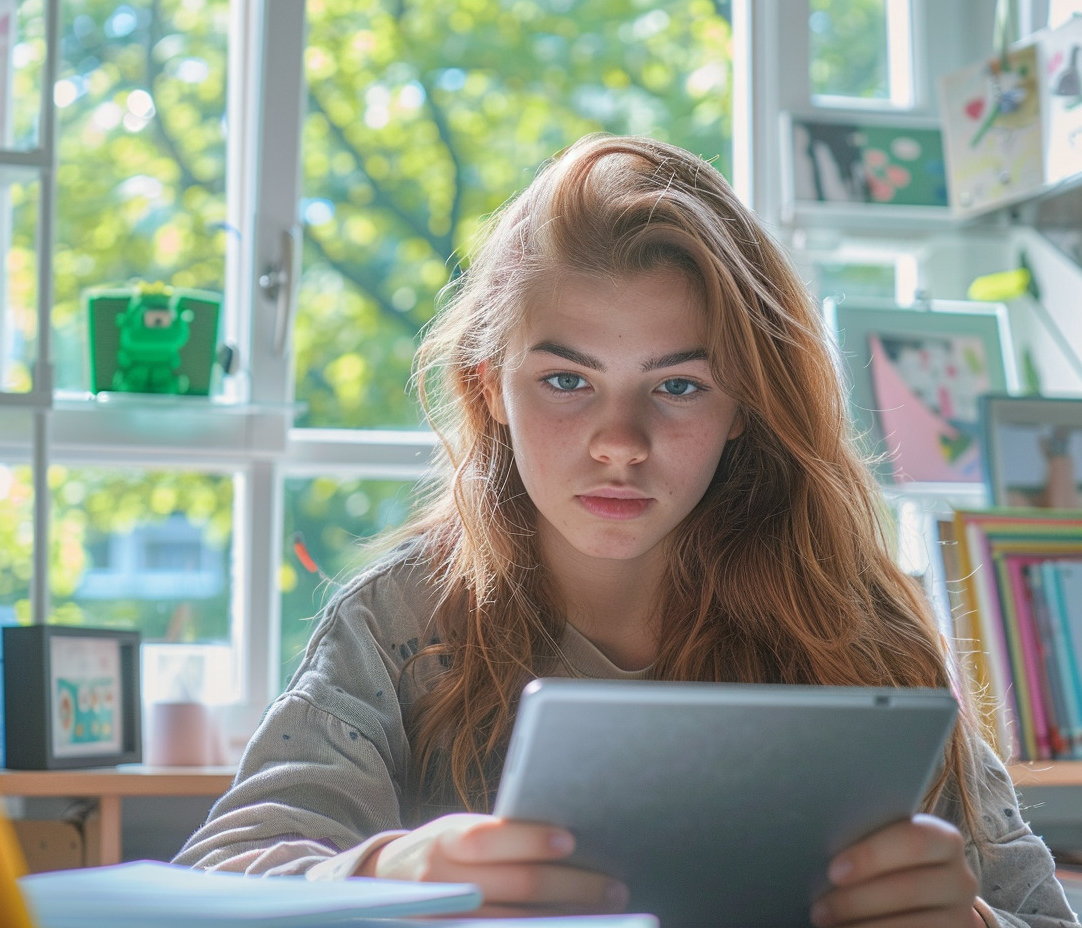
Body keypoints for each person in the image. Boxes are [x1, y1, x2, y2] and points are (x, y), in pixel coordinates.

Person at [173, 134, 1077, 928]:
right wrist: (387, 867)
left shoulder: (863, 628)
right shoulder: (397, 622)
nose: (619, 443)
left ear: (742, 409)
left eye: (678, 386)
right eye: (567, 381)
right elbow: (216, 883)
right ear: (489, 389)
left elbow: (1039, 914)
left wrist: (969, 922)